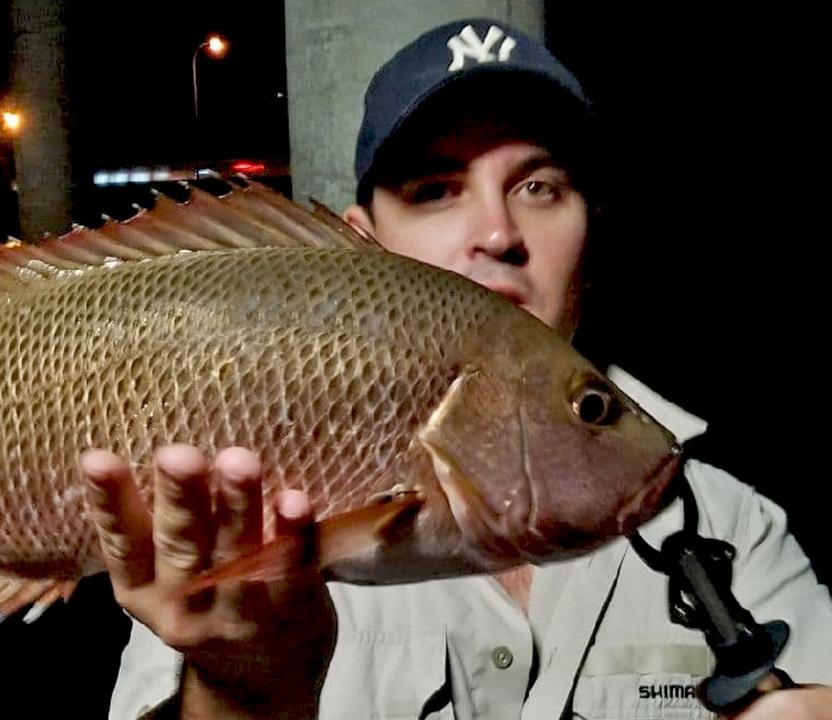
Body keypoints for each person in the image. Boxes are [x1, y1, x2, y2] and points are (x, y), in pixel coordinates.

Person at [83, 18, 832, 720]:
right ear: (363, 244)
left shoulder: (734, 527)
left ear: (590, 236)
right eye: (435, 189)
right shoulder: (246, 502)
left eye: (540, 186)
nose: (500, 232)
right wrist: (241, 686)